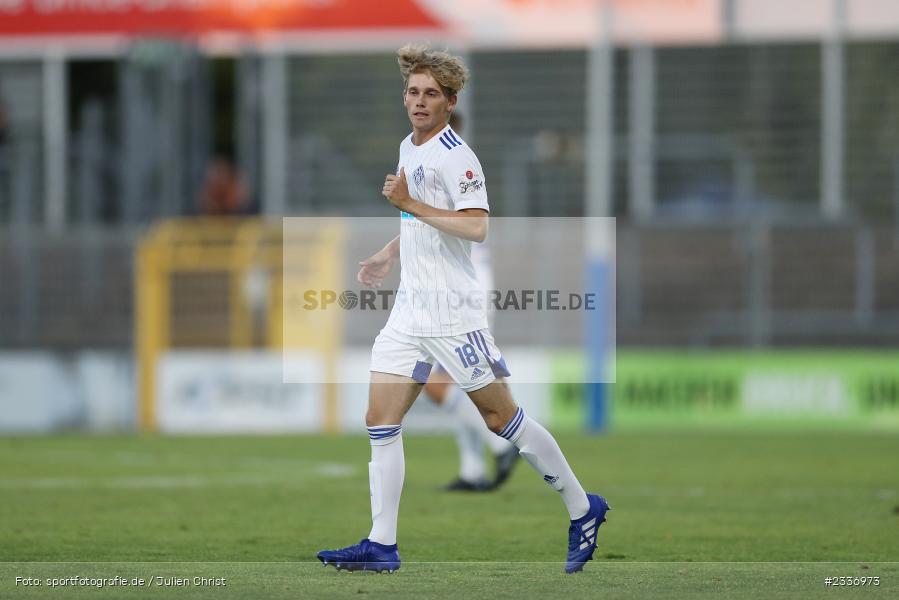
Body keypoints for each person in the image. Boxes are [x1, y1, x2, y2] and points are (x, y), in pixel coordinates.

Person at [316, 45, 609, 575]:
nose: (419, 102)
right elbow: (420, 222)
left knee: (502, 419)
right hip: (409, 311)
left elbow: (475, 225)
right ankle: (382, 544)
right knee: (379, 421)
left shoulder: (459, 157)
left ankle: (582, 507)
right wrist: (387, 251)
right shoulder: (408, 146)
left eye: (431, 94)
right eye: (412, 92)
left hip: (454, 313)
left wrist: (410, 205)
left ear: (451, 101)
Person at [422, 111, 520, 492]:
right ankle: (473, 468)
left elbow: (461, 228)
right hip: (452, 282)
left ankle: (500, 443)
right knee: (458, 380)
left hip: (461, 284)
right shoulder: (433, 163)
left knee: (439, 380)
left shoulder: (452, 163)